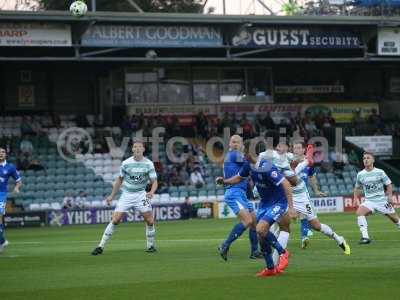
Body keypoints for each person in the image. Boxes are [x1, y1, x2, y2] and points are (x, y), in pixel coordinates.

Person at [217, 139, 295, 277]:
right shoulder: (248, 165)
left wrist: (291, 208)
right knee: (261, 236)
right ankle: (270, 268)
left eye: (244, 151)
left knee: (260, 228)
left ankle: (283, 253)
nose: (242, 153)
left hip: (278, 202)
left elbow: (287, 185)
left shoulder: (267, 166)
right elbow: (238, 178)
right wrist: (224, 181)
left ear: (250, 152)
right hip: (265, 203)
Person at [91, 140, 158, 255]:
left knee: (150, 221)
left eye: (139, 147)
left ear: (143, 149)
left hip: (141, 194)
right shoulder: (126, 163)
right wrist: (112, 196)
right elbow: (119, 180)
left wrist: (151, 191)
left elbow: (154, 181)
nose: (137, 149)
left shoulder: (148, 164)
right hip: (127, 194)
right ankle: (100, 246)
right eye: (135, 147)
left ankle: (150, 246)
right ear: (132, 149)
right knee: (115, 220)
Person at [292, 142, 349, 253]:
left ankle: (338, 238)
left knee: (316, 226)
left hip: (302, 197)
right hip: (288, 196)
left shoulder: (308, 163)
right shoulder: (289, 161)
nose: (296, 150)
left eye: (299, 148)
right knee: (279, 220)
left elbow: (311, 176)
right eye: (294, 148)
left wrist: (316, 190)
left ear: (303, 150)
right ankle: (278, 250)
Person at [217, 135, 262, 261]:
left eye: (237, 142)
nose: (235, 144)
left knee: (254, 222)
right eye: (233, 142)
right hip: (234, 192)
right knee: (248, 221)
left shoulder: (233, 156)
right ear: (229, 144)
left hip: (241, 193)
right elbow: (252, 161)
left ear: (242, 144)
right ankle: (224, 245)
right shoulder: (234, 155)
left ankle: (254, 251)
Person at [354, 151, 400, 244]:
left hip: (382, 201)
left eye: (368, 158)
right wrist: (355, 198)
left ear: (373, 160)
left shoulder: (380, 172)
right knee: (359, 212)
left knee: (395, 219)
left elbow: (389, 184)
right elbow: (357, 187)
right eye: (364, 158)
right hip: (369, 201)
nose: (366, 160)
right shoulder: (360, 174)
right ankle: (365, 238)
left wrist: (390, 196)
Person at [0, 147, 22, 253]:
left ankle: (2, 242)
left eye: (3, 152)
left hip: (1, 194)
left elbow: (19, 181)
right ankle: (2, 241)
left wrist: (16, 188)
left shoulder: (10, 167)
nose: (1, 153)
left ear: (6, 154)